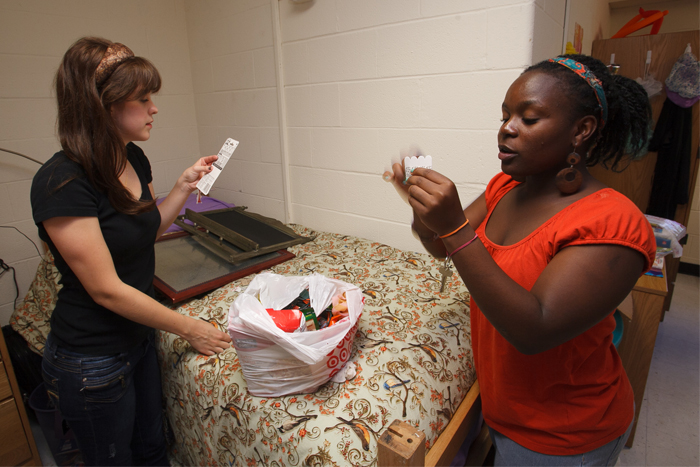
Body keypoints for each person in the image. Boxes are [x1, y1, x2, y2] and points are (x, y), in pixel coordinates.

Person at [387, 54, 656, 466]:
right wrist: (424, 213)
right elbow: (444, 246)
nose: (507, 128)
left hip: (565, 435)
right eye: (505, 115)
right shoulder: (506, 186)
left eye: (529, 119)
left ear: (581, 130)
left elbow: (534, 330)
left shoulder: (613, 221)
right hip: (505, 412)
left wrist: (454, 225)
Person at [30, 37, 232, 466]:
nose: (154, 108)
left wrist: (183, 185)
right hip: (92, 360)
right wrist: (189, 328)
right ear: (103, 106)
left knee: (154, 447)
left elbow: (150, 230)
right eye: (143, 99)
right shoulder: (61, 182)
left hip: (137, 341)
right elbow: (105, 290)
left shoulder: (134, 158)